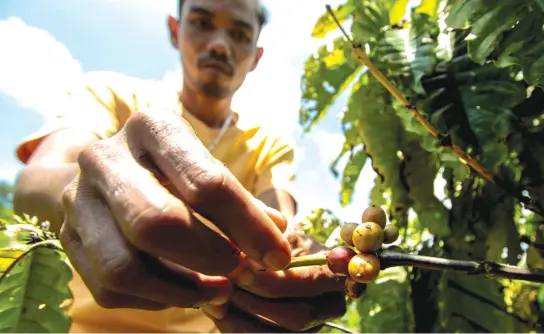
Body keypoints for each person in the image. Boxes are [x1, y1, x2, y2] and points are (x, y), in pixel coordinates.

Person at [12, 0, 347, 332]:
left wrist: (293, 271)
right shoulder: (110, 95)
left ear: (256, 56)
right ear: (176, 30)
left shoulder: (269, 148)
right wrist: (89, 186)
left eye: (239, 34)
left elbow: (282, 234)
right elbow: (35, 183)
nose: (218, 45)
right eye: (202, 24)